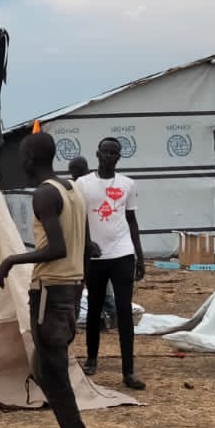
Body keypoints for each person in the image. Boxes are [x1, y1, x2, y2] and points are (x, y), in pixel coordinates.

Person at [0, 131, 100, 428]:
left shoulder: (43, 194)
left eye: (23, 157)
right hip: (68, 290)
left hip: (51, 292)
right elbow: (85, 247)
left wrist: (12, 259)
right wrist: (79, 288)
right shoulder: (73, 191)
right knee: (47, 370)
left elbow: (57, 248)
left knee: (51, 374)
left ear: (29, 159)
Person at [75, 136, 146, 390]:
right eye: (105, 151)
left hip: (123, 253)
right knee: (94, 308)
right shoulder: (83, 184)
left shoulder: (127, 184)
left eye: (114, 152)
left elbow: (132, 221)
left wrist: (139, 255)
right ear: (97, 153)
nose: (108, 155)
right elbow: (78, 218)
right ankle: (91, 359)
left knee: (124, 311)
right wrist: (85, 245)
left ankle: (128, 371)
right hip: (96, 256)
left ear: (118, 157)